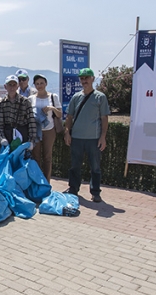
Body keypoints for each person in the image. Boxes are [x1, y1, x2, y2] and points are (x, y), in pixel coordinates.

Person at [64, 68, 110, 203]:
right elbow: (69, 116)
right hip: (77, 138)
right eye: (82, 78)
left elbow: (104, 118)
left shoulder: (100, 97)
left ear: (92, 79)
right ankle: (73, 190)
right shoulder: (76, 97)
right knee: (75, 166)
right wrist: (67, 132)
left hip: (93, 139)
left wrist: (103, 137)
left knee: (95, 167)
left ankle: (95, 192)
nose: (84, 81)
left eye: (87, 78)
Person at [29, 74, 63, 181]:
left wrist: (52, 108)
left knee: (47, 157)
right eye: (37, 84)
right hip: (36, 130)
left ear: (46, 83)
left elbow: (60, 114)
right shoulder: (31, 99)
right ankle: (37, 181)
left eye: (41, 83)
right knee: (36, 157)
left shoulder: (53, 97)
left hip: (49, 130)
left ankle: (47, 182)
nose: (39, 86)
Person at [0, 75, 38, 154]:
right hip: (8, 135)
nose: (12, 87)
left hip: (22, 134)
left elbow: (31, 122)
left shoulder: (25, 102)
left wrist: (31, 141)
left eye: (14, 85)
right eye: (10, 85)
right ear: (5, 86)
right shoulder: (2, 103)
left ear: (17, 86)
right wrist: (2, 138)